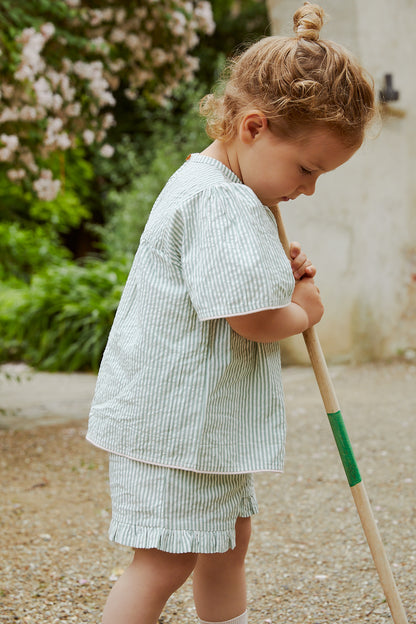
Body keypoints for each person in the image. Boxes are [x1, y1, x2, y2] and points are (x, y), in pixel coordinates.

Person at [86, 3, 375, 623]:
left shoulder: (229, 191)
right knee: (164, 561)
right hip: (173, 429)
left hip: (201, 430)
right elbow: (248, 318)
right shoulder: (220, 204)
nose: (308, 189)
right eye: (306, 168)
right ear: (252, 126)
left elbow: (232, 283)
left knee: (227, 545)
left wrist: (276, 273)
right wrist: (300, 311)